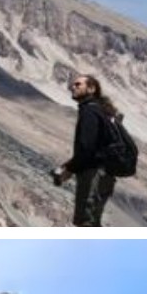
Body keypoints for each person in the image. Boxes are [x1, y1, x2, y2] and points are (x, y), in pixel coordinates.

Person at [51, 74, 120, 227]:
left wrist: (68, 169)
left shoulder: (90, 111)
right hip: (105, 175)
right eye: (73, 85)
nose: (73, 87)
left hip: (93, 175)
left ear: (91, 89)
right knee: (91, 222)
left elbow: (87, 149)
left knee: (85, 222)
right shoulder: (101, 111)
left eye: (78, 84)